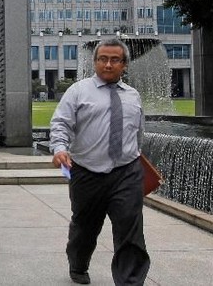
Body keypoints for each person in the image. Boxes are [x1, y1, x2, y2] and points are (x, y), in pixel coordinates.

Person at [50, 37, 150, 285]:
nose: (108, 64)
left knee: (130, 229)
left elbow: (138, 133)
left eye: (115, 60)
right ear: (94, 62)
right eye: (103, 59)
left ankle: (130, 281)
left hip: (126, 172)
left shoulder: (133, 96)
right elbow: (61, 123)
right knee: (85, 227)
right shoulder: (78, 91)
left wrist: (138, 159)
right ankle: (78, 263)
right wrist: (60, 148)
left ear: (124, 64)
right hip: (87, 172)